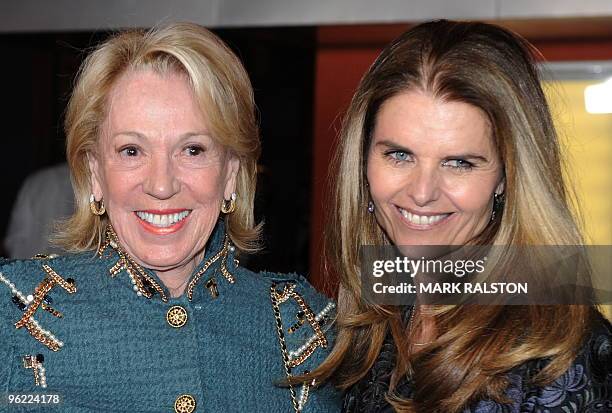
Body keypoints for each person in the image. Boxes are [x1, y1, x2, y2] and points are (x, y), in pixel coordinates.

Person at [0, 23, 340, 412]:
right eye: (131, 150)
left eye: (192, 150)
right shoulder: (10, 313)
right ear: (95, 171)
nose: (162, 185)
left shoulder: (306, 326)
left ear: (230, 172)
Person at [309, 20, 611, 412]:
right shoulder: (367, 326)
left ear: (507, 177)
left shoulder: (561, 358)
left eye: (459, 163)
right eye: (399, 155)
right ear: (363, 159)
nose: (421, 192)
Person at [4, 163, 74, 258]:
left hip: (29, 264)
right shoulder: (88, 180)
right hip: (71, 266)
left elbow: (15, 236)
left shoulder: (36, 179)